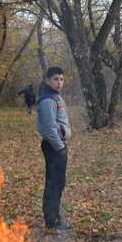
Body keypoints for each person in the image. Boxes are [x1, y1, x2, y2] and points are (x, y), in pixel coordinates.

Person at [36, 66, 71, 231]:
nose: (59, 82)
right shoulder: (48, 100)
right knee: (54, 183)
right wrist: (59, 147)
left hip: (58, 145)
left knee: (59, 182)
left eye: (61, 79)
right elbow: (49, 128)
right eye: (55, 79)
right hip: (53, 146)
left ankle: (55, 216)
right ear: (47, 80)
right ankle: (51, 221)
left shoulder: (55, 97)